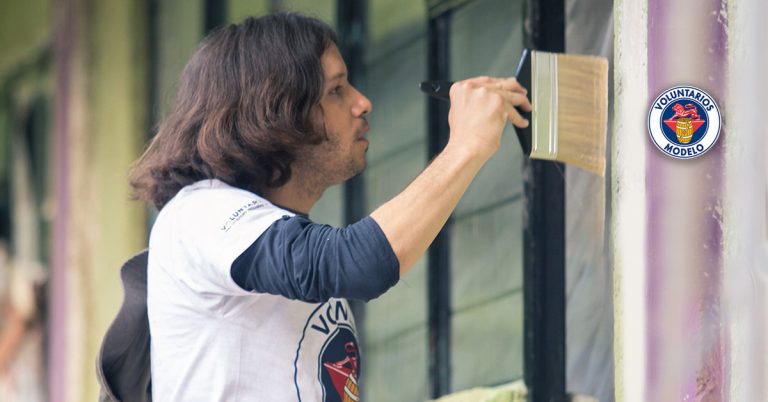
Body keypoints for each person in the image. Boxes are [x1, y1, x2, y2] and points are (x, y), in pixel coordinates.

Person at [128, 12, 531, 401]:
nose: (363, 102)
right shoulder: (197, 213)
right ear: (276, 111)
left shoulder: (290, 261)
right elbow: (357, 264)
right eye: (336, 91)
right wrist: (465, 147)